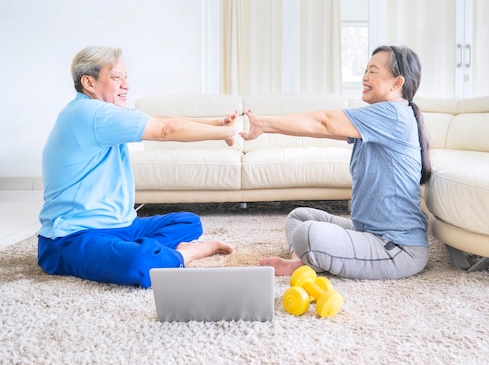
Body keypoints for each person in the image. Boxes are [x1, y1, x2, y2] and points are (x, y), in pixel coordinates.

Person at [38, 45, 234, 288]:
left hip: (122, 226)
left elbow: (161, 120)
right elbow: (166, 130)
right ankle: (186, 254)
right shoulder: (93, 114)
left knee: (188, 222)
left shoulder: (102, 113)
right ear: (89, 82)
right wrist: (224, 133)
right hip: (73, 237)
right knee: (137, 262)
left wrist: (217, 123)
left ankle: (147, 251)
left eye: (126, 77)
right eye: (116, 77)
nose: (126, 85)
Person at [240, 45, 431, 279]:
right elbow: (318, 129)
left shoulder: (394, 114)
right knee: (299, 217)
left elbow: (324, 122)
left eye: (373, 71)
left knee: (307, 235)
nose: (364, 77)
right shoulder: (378, 118)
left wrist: (264, 124)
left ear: (396, 83)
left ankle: (308, 257)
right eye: (365, 70)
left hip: (396, 248)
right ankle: (300, 262)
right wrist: (269, 126)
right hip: (367, 232)